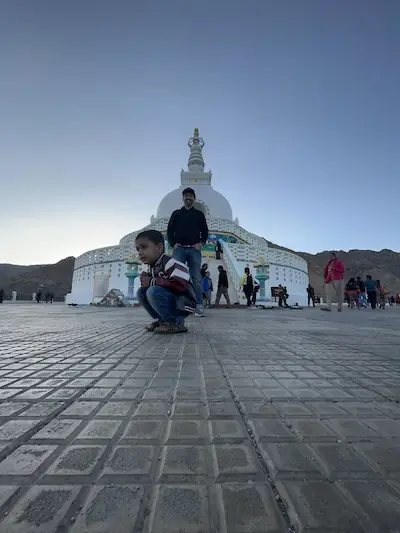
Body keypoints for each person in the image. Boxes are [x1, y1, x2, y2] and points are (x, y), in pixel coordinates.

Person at [135, 229, 196, 334]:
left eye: (144, 247)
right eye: (138, 249)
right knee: (141, 292)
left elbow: (181, 285)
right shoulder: (152, 266)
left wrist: (152, 281)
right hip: (173, 299)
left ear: (159, 248)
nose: (140, 252)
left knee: (152, 291)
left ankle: (175, 322)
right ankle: (163, 320)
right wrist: (147, 280)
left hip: (183, 302)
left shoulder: (171, 263)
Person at [167, 187, 209, 317]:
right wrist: (173, 243)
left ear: (194, 198)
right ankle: (176, 304)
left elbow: (205, 231)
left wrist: (201, 243)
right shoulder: (176, 214)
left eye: (191, 196)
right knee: (177, 277)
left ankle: (199, 305)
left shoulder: (199, 214)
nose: (188, 198)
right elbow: (170, 230)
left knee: (196, 278)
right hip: (179, 249)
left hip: (194, 250)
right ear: (183, 198)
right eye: (186, 196)